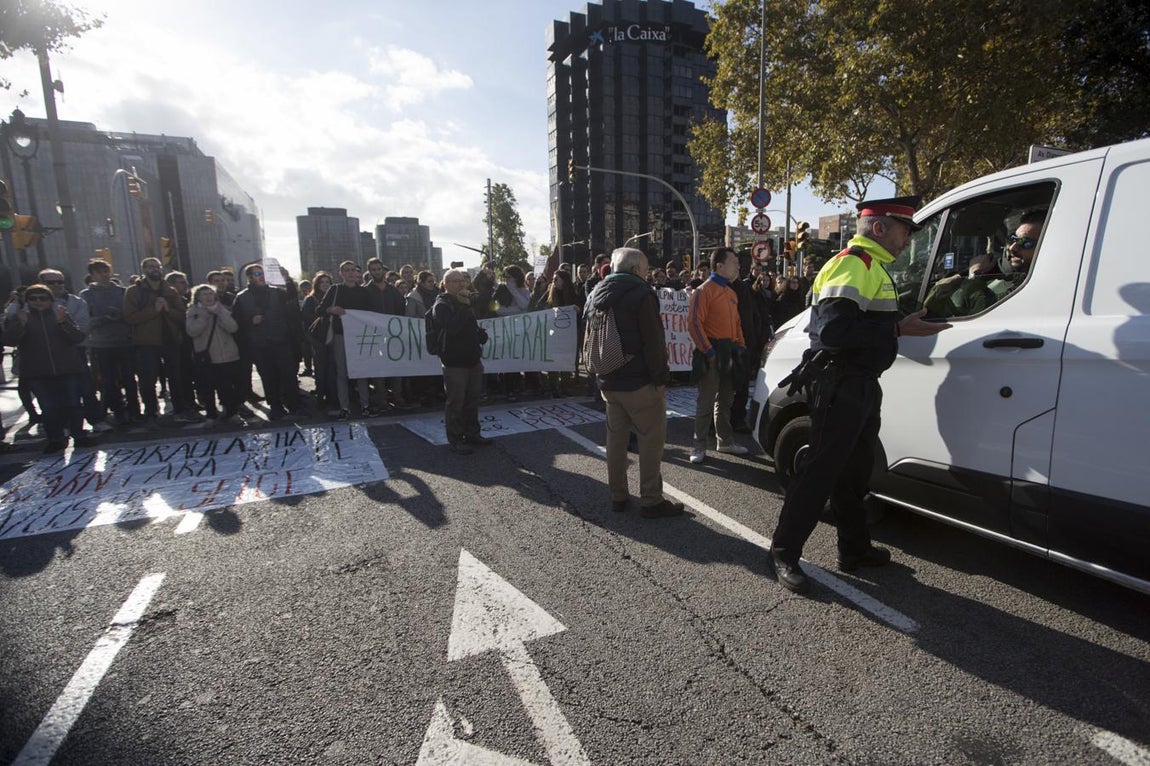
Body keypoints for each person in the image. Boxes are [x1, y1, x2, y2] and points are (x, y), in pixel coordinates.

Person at [767, 196, 950, 594]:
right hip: (840, 383)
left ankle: (854, 548)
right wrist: (899, 331)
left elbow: (860, 323)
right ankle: (783, 552)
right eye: (904, 232)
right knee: (820, 473)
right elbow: (832, 333)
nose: (907, 242)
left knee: (854, 473)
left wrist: (899, 324)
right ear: (880, 229)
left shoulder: (873, 267)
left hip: (860, 383)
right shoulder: (853, 265)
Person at [586, 247, 683, 518]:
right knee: (650, 441)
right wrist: (661, 379)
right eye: (646, 268)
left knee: (615, 440)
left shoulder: (596, 293)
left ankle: (618, 495)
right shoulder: (642, 294)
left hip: (608, 379)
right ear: (637, 270)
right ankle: (651, 500)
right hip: (638, 380)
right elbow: (653, 341)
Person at [2, 283, 88, 453]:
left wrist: (63, 321)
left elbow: (77, 337)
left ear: (50, 300)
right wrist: (21, 324)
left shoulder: (60, 314)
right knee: (48, 407)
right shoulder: (21, 317)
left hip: (66, 368)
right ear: (27, 301)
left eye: (43, 298)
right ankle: (56, 439)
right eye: (33, 299)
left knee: (73, 404)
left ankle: (79, 435)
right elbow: (9, 341)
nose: (38, 302)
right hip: (38, 372)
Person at [687, 247, 749, 464]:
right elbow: (694, 324)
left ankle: (725, 441)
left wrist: (740, 346)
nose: (738, 265)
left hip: (729, 352)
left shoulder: (731, 293)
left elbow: (737, 323)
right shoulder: (703, 291)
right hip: (711, 353)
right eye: (734, 261)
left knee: (725, 400)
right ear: (719, 265)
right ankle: (698, 446)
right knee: (705, 402)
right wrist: (709, 352)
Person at [124, 256, 196, 424]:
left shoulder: (169, 290)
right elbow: (130, 317)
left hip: (170, 340)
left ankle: (180, 409)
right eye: (150, 267)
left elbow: (182, 315)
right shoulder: (134, 291)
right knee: (148, 379)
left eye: (157, 266)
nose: (154, 269)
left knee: (176, 377)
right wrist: (154, 310)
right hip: (146, 342)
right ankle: (151, 412)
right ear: (144, 270)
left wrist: (167, 309)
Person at [429, 268, 492, 454]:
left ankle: (473, 434)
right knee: (456, 402)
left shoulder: (465, 302)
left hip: (472, 359)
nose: (461, 284)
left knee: (472, 400)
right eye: (456, 281)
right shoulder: (441, 304)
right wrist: (465, 308)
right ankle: (456, 440)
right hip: (454, 362)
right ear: (446, 284)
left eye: (463, 280)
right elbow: (452, 328)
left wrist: (479, 335)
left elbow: (469, 325)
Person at [232, 263, 304, 420]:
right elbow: (236, 322)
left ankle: (294, 406)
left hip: (281, 340)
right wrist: (251, 321)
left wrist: (286, 279)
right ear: (250, 277)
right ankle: (276, 406)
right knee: (268, 376)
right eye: (257, 274)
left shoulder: (276, 291)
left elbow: (291, 295)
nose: (261, 276)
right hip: (260, 344)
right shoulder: (242, 297)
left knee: (289, 375)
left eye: (263, 273)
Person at [80, 259, 140, 426]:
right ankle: (118, 411)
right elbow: (86, 321)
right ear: (92, 275)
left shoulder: (122, 291)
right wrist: (104, 318)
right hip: (101, 344)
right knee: (108, 380)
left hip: (125, 342)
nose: (104, 275)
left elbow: (133, 314)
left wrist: (121, 316)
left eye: (106, 271)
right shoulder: (86, 295)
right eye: (99, 272)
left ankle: (135, 411)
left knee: (130, 379)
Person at [318, 261, 374, 419]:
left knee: (361, 371)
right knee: (341, 372)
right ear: (341, 274)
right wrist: (331, 309)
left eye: (353, 270)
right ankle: (345, 407)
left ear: (357, 274)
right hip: (340, 335)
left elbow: (371, 314)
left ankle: (365, 405)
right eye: (347, 271)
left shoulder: (364, 292)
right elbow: (319, 310)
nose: (350, 273)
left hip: (359, 337)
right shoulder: (335, 289)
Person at [186, 284, 244, 424]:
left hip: (227, 355)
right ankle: (211, 414)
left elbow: (233, 327)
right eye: (204, 294)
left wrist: (221, 313)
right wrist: (204, 316)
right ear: (198, 297)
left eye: (211, 294)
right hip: (207, 356)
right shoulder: (193, 312)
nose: (208, 297)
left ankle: (230, 412)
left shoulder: (222, 309)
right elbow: (192, 331)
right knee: (207, 387)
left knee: (227, 386)